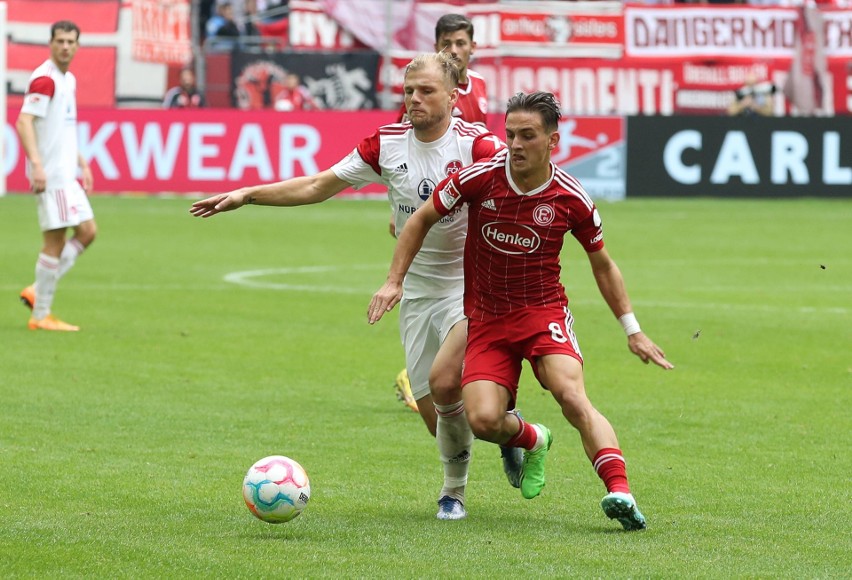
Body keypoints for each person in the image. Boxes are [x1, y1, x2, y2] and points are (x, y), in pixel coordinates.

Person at [190, 52, 519, 520]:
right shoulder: (386, 145)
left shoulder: (478, 146)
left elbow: (520, 192)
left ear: (452, 95)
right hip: (417, 295)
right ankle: (516, 432)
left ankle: (453, 492)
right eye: (408, 91)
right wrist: (249, 194)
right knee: (438, 417)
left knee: (446, 383)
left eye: (426, 90)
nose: (414, 99)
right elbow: (319, 185)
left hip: (471, 288)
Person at [368, 91, 674, 530]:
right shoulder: (479, 178)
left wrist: (633, 328)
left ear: (552, 141)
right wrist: (394, 279)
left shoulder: (571, 197)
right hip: (486, 319)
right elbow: (419, 218)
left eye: (527, 135)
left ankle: (620, 492)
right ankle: (533, 438)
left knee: (571, 396)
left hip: (541, 314)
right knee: (485, 419)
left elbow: (602, 264)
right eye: (509, 134)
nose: (514, 144)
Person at [389, 13, 490, 412]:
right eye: (446, 43)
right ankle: (448, 386)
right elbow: (404, 153)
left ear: (472, 48)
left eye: (460, 43)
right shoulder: (427, 95)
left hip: (469, 210)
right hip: (435, 208)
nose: (454, 50)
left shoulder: (479, 86)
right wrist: (402, 209)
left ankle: (483, 396)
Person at [16, 20, 96, 332]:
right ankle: (41, 315)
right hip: (52, 175)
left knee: (87, 232)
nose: (65, 46)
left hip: (66, 173)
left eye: (70, 41)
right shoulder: (45, 79)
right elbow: (24, 122)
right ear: (50, 43)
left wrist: (82, 163)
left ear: (77, 45)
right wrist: (36, 165)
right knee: (55, 241)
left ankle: (37, 289)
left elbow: (62, 129)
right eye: (60, 41)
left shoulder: (68, 79)